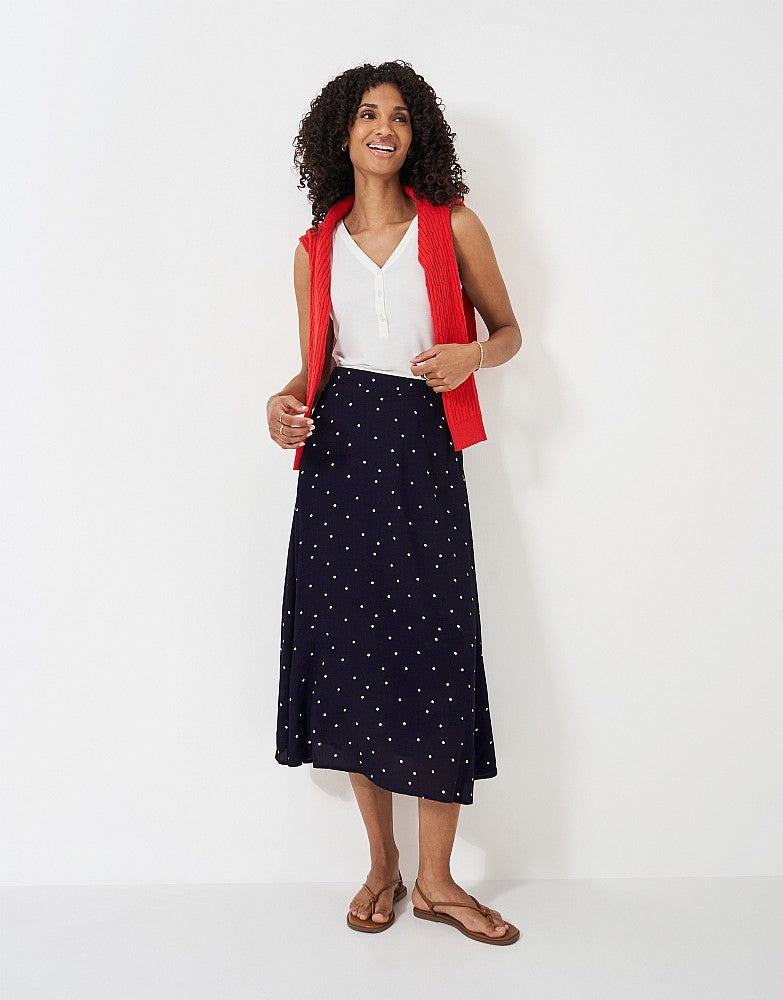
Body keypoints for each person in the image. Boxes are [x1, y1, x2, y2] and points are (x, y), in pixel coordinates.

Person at [267, 60, 522, 945]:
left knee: (435, 649)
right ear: (341, 132)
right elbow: (316, 363)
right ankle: (381, 866)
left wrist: (470, 357)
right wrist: (281, 403)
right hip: (338, 458)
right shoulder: (314, 250)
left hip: (420, 449)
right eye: (368, 114)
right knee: (350, 656)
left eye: (401, 116)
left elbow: (507, 330)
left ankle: (438, 880)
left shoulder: (451, 227)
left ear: (418, 136)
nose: (385, 128)